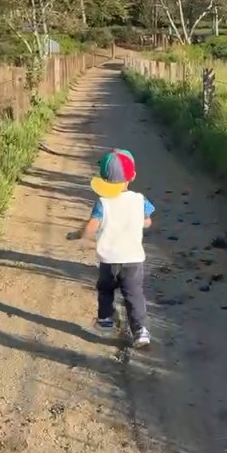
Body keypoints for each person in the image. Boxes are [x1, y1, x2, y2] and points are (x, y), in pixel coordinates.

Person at [67, 149, 155, 348]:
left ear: (103, 178)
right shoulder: (139, 200)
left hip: (109, 261)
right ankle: (140, 331)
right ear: (132, 176)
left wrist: (78, 234)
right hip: (133, 260)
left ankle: (105, 320)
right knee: (134, 294)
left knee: (105, 290)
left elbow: (92, 226)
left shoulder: (103, 203)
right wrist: (137, 222)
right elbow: (148, 222)